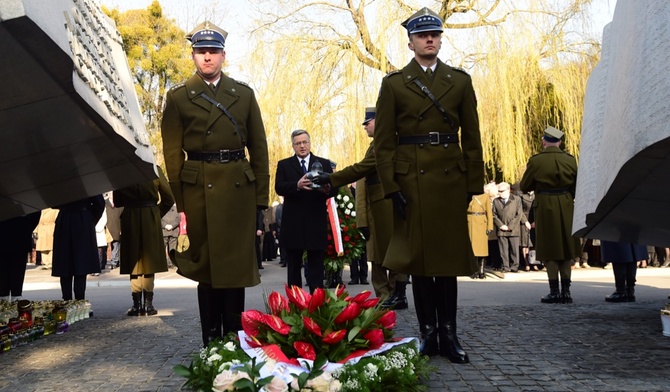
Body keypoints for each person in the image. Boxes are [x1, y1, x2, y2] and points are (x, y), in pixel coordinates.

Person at [373, 7, 484, 363]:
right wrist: (391, 187)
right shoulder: (393, 84)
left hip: (450, 180)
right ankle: (427, 334)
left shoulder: (460, 81)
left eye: (435, 34)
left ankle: (449, 334)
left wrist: (473, 182)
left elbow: (473, 136)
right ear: (410, 43)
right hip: (412, 182)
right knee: (419, 263)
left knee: (448, 262)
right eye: (423, 35)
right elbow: (385, 142)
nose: (430, 39)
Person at [161, 21, 270, 346]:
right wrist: (182, 203)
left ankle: (235, 338)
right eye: (200, 52)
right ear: (193, 55)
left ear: (224, 55)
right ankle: (211, 340)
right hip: (198, 192)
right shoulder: (179, 97)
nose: (207, 57)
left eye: (213, 52)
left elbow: (260, 149)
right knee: (206, 268)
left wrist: (260, 200)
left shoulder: (244, 95)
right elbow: (172, 156)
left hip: (238, 189)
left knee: (235, 268)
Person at [313, 107, 407, 308]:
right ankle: (391, 296)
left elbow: (362, 168)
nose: (365, 127)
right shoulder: (377, 144)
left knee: (389, 253)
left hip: (385, 206)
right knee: (381, 254)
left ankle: (397, 295)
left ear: (379, 121)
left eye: (368, 123)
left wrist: (331, 177)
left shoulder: (383, 143)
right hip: (379, 207)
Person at [520, 126, 580, 304]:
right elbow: (577, 186)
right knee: (566, 248)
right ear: (560, 142)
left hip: (545, 205)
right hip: (566, 204)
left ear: (544, 141)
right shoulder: (570, 160)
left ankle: (554, 292)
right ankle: (566, 292)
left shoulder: (536, 161)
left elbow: (524, 186)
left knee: (550, 248)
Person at [275, 129, 336, 293]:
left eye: (304, 142)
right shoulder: (284, 164)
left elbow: (334, 189)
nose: (302, 146)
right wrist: (297, 185)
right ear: (293, 146)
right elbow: (279, 187)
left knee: (316, 267)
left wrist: (327, 190)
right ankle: (296, 306)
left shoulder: (323, 163)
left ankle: (316, 305)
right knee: (293, 268)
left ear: (309, 143)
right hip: (293, 223)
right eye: (298, 143)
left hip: (315, 222)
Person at [114, 168, 174, 316]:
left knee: (134, 259)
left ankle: (136, 305)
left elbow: (117, 201)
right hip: (150, 216)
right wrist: (155, 213)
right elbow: (169, 198)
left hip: (131, 217)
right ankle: (148, 305)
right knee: (149, 260)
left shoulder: (122, 172)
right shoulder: (153, 169)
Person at [52, 196, 105, 300]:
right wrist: (90, 219)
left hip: (66, 219)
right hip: (82, 219)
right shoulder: (87, 179)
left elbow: (52, 201)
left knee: (66, 263)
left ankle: (67, 300)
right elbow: (99, 203)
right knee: (80, 263)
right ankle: (79, 301)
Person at [0, 211, 41, 301]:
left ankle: (9, 298)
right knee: (13, 271)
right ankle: (10, 298)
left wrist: (26, 228)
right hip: (19, 233)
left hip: (17, 235)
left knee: (12, 271)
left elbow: (35, 213)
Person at [492, 182, 529, 273]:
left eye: (502, 191)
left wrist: (510, 226)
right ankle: (505, 266)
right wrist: (501, 225)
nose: (500, 193)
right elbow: (494, 215)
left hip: (513, 229)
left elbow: (519, 214)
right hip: (501, 229)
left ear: (508, 190)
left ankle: (514, 266)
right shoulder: (496, 201)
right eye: (499, 191)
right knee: (503, 250)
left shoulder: (516, 199)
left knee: (514, 249)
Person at [467, 186, 493, 279]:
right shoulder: (467, 195)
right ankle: (473, 271)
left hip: (481, 223)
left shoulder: (485, 196)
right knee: (472, 249)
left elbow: (489, 212)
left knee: (482, 250)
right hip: (470, 222)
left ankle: (481, 271)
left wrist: (490, 226)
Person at [161, 203, 180, 269]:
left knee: (172, 249)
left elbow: (178, 219)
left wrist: (172, 226)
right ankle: (163, 264)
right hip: (164, 231)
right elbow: (159, 218)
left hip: (173, 231)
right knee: (162, 249)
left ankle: (172, 263)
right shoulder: (161, 208)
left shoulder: (176, 208)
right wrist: (165, 225)